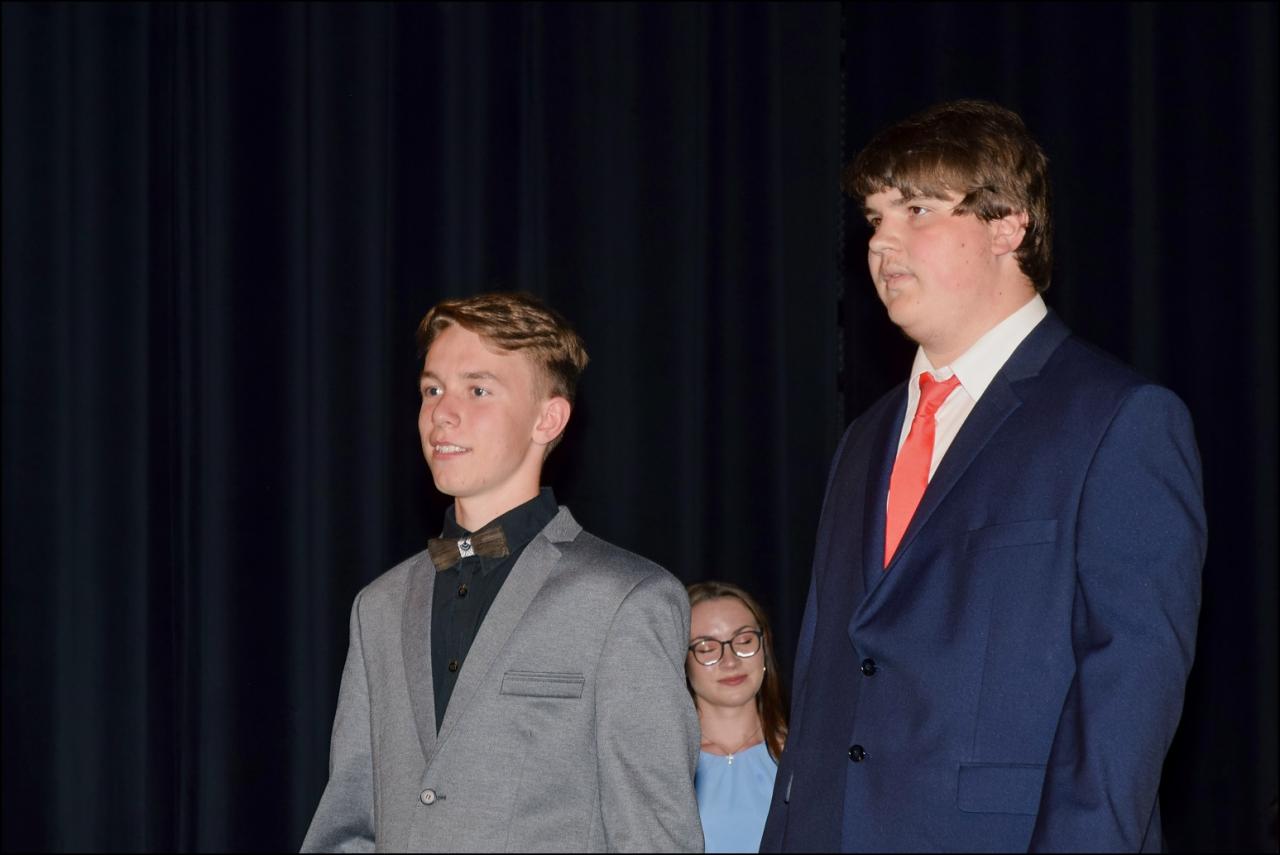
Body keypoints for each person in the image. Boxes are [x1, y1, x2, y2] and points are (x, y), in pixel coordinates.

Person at [760, 100, 1206, 852]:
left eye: (916, 210)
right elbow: (823, 682)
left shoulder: (1118, 420)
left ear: (1008, 226)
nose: (881, 241)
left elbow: (1128, 697)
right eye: (874, 219)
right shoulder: (865, 439)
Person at [302, 291, 704, 852]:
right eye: (432, 389)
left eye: (477, 390)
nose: (442, 412)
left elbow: (655, 840)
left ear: (548, 418)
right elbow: (347, 828)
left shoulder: (627, 599)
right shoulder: (380, 606)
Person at [685, 581, 788, 853]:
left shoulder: (803, 756)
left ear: (765, 647)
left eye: (744, 641)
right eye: (706, 648)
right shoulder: (663, 766)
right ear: (682, 661)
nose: (730, 661)